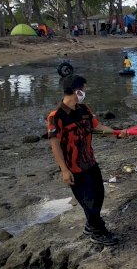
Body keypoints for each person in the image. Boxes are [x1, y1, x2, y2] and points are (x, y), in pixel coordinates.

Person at [47, 75, 128, 246]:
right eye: (83, 89)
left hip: (90, 162)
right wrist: (64, 170)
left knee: (98, 195)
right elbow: (55, 145)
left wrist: (116, 133)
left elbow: (98, 127)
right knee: (88, 201)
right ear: (76, 90)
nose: (84, 92)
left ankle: (91, 226)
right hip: (74, 167)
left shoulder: (84, 109)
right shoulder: (56, 116)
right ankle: (98, 232)